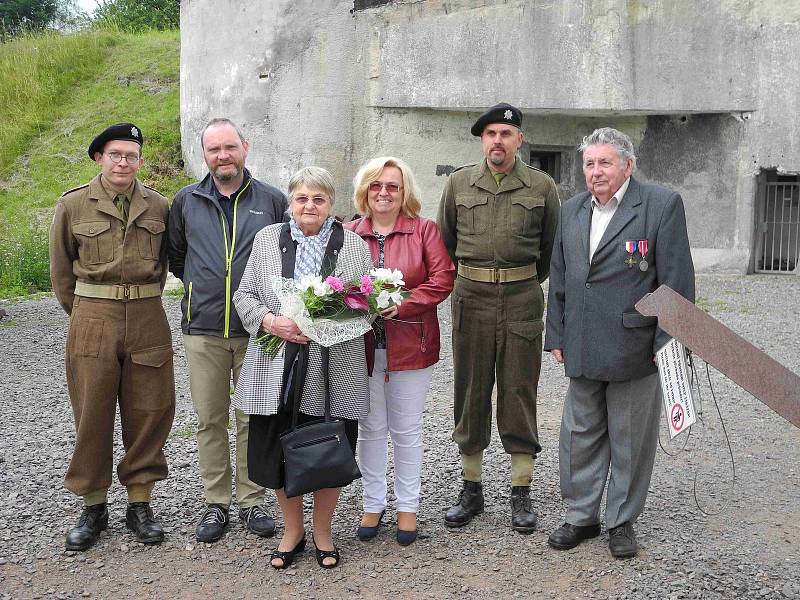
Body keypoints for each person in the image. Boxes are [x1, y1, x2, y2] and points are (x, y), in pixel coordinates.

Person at [544, 127, 695, 558]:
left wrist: (666, 345)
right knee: (579, 435)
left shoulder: (661, 206)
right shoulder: (571, 210)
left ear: (627, 165)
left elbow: (676, 284)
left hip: (636, 347)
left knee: (629, 439)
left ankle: (621, 521)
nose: (595, 172)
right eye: (589, 163)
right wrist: (556, 333)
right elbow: (561, 277)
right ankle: (580, 516)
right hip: (581, 344)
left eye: (605, 162)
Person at [232, 166, 373, 569]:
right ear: (290, 202)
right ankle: (292, 531)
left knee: (329, 447)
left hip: (333, 364)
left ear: (331, 204)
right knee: (280, 449)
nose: (309, 205)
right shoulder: (265, 240)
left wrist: (321, 325)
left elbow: (365, 304)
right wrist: (272, 321)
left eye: (319, 199)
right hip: (277, 360)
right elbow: (244, 294)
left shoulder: (352, 245)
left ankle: (324, 532)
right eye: (301, 198)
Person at [49, 123, 175, 551]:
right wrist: (87, 311)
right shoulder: (73, 205)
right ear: (99, 158)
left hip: (146, 314)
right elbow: (62, 274)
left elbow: (167, 262)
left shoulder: (159, 205)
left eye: (132, 155)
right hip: (93, 316)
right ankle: (93, 503)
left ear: (140, 161)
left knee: (150, 409)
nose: (124, 162)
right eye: (115, 154)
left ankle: (140, 502)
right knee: (92, 410)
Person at [436, 102, 560, 533]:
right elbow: (446, 242)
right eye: (490, 134)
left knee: (518, 387)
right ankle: (471, 487)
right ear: (482, 140)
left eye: (506, 134)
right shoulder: (458, 184)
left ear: (519, 140)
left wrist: (519, 278)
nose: (497, 142)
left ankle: (520, 489)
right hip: (470, 295)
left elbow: (550, 251)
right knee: (470, 388)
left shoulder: (542, 187)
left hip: (523, 296)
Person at [168, 118, 287, 543]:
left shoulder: (272, 200)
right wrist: (204, 289)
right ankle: (216, 501)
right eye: (214, 149)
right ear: (205, 154)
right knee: (210, 418)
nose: (223, 156)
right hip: (203, 328)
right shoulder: (185, 202)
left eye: (230, 147)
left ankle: (252, 499)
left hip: (258, 328)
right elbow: (178, 259)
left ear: (245, 147)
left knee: (252, 416)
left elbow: (284, 258)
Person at [345, 157, 455, 546]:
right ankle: (373, 503)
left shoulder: (423, 230)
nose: (384, 193)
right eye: (376, 185)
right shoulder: (348, 232)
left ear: (404, 191)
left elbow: (443, 278)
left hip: (411, 345)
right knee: (370, 429)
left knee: (406, 430)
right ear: (365, 192)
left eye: (392, 186)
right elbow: (335, 281)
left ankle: (407, 506)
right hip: (360, 348)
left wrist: (404, 302)